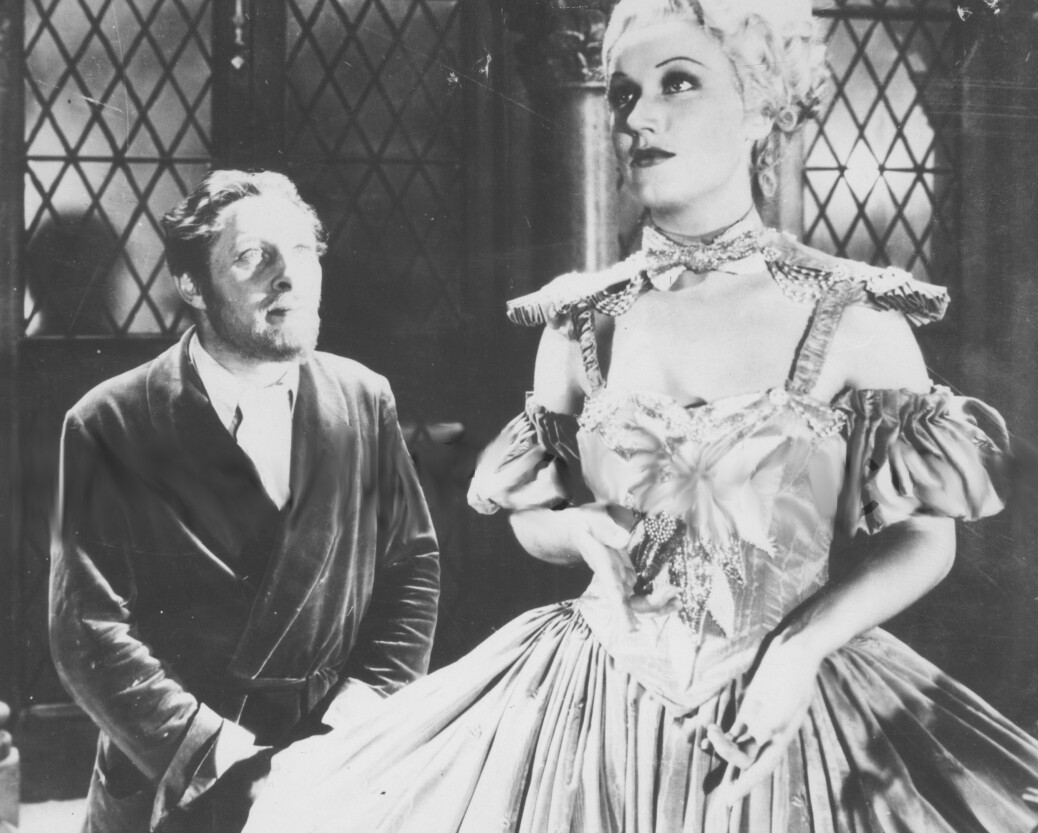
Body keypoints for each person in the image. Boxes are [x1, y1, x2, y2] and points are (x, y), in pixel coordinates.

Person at [232, 1, 1038, 830]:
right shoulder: (582, 321)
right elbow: (535, 518)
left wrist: (799, 653)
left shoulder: (854, 316)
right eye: (622, 95)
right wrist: (578, 532)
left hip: (791, 695)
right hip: (589, 701)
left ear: (761, 107)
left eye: (678, 83)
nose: (637, 118)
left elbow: (927, 539)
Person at [49, 169, 440, 833]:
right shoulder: (109, 421)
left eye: (303, 251)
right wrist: (226, 759)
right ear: (192, 286)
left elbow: (412, 569)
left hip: (331, 763)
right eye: (253, 256)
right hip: (178, 771)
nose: (289, 277)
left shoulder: (362, 398)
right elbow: (86, 627)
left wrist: (348, 727)